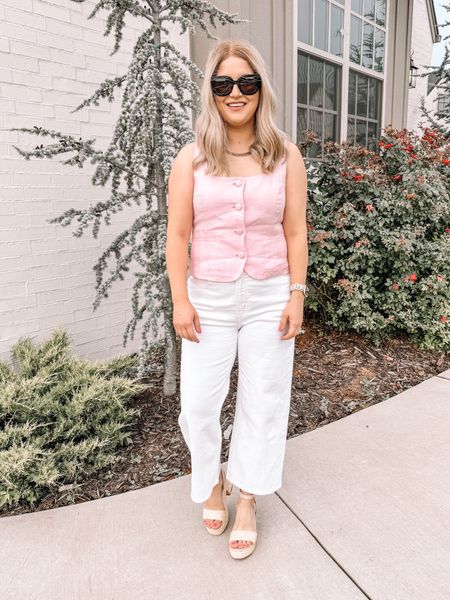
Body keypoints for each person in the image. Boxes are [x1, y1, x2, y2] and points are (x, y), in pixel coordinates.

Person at [166, 39, 308, 560]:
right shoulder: (193, 160)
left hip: (270, 293)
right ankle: (210, 482)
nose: (235, 93)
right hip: (210, 297)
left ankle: (247, 495)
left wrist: (296, 293)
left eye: (246, 83)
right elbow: (177, 236)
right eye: (222, 83)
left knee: (264, 399)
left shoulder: (285, 155)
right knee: (198, 405)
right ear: (211, 91)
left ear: (260, 90)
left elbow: (295, 232)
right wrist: (180, 300)